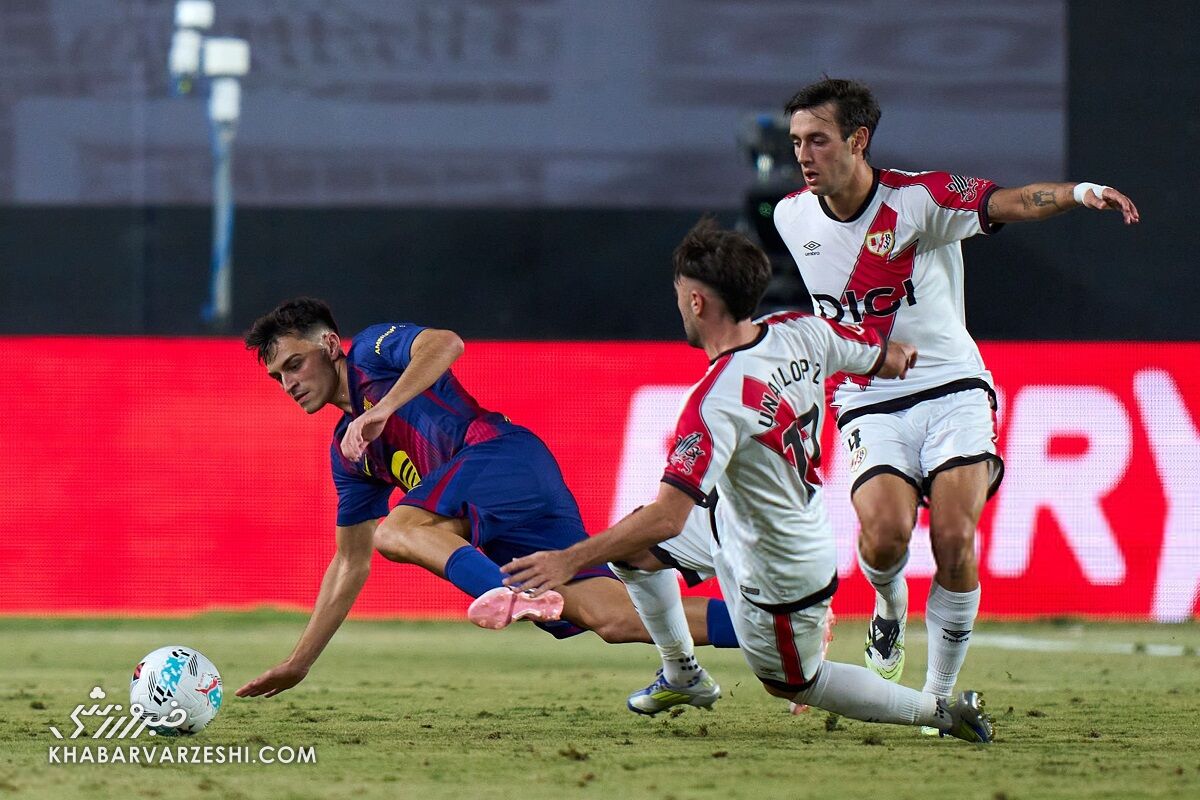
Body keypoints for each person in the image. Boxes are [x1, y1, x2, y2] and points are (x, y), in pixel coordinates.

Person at [503, 220, 993, 742]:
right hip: (741, 518)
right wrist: (900, 360)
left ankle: (941, 711)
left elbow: (668, 517)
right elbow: (889, 356)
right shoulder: (799, 330)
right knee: (633, 552)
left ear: (696, 302)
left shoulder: (713, 401)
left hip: (777, 560)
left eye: (680, 295)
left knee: (796, 683)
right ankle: (682, 673)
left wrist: (568, 560)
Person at [772, 78, 1140, 706]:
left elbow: (1013, 201)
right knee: (884, 538)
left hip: (953, 389)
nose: (804, 155)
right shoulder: (790, 216)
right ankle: (889, 607)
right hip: (867, 398)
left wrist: (1080, 192)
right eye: (797, 141)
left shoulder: (919, 199)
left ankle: (937, 699)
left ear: (858, 141)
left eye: (819, 140)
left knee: (953, 539)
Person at [235, 298, 738, 699]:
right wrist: (299, 662)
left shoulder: (370, 351)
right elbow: (350, 562)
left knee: (400, 529)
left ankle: (509, 594)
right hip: (498, 503)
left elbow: (446, 343)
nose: (289, 383)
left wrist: (383, 409)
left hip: (501, 456)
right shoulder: (349, 453)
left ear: (329, 344)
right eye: (279, 376)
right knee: (612, 618)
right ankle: (769, 632)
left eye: (295, 364)